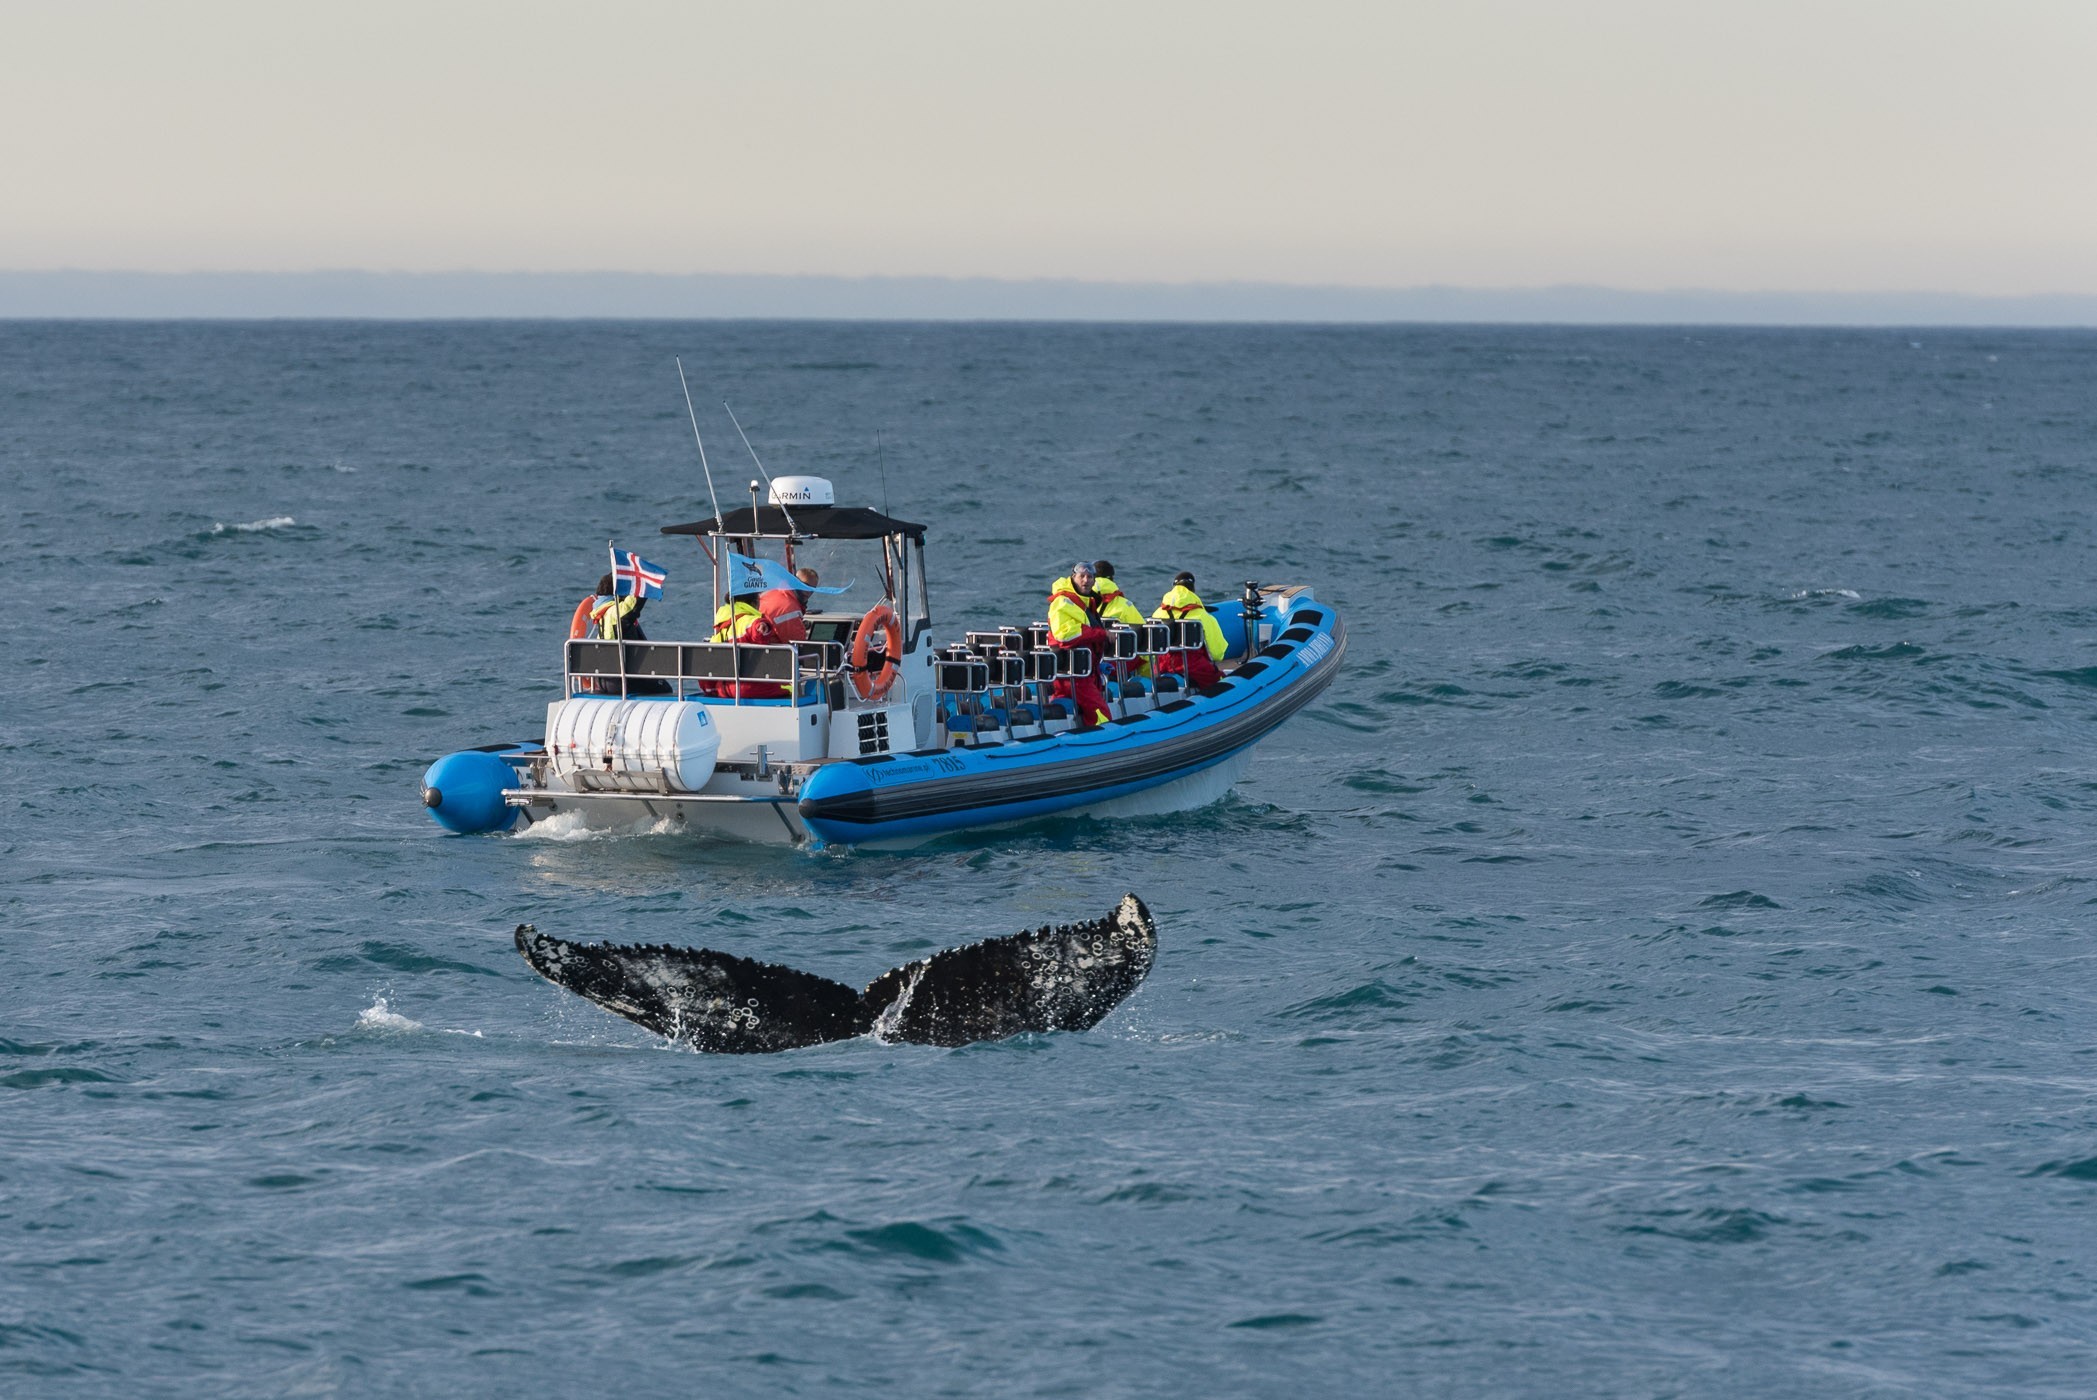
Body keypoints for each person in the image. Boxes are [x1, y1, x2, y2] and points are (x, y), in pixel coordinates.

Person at [1047, 561, 1113, 729]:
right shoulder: (1063, 602)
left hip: (1084, 672)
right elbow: (1065, 635)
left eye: (1090, 577)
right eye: (1081, 576)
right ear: (1073, 577)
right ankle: (1100, 742)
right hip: (1073, 675)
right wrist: (1102, 634)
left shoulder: (1086, 602)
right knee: (1102, 716)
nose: (1085, 580)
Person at [1152, 570, 1226, 689]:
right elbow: (1217, 654)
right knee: (1219, 681)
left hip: (1161, 667)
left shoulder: (1157, 614)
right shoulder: (1202, 616)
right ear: (1193, 590)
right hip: (1193, 668)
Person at [711, 589, 789, 699]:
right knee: (793, 686)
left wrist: (709, 689)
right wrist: (763, 626)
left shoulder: (722, 628)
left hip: (725, 689)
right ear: (754, 603)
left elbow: (709, 663)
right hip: (751, 688)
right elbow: (755, 628)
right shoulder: (747, 619)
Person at [757, 566, 814, 645]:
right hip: (770, 650)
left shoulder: (771, 593)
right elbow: (798, 644)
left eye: (812, 589)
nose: (808, 592)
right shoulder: (788, 608)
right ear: (794, 582)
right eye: (804, 586)